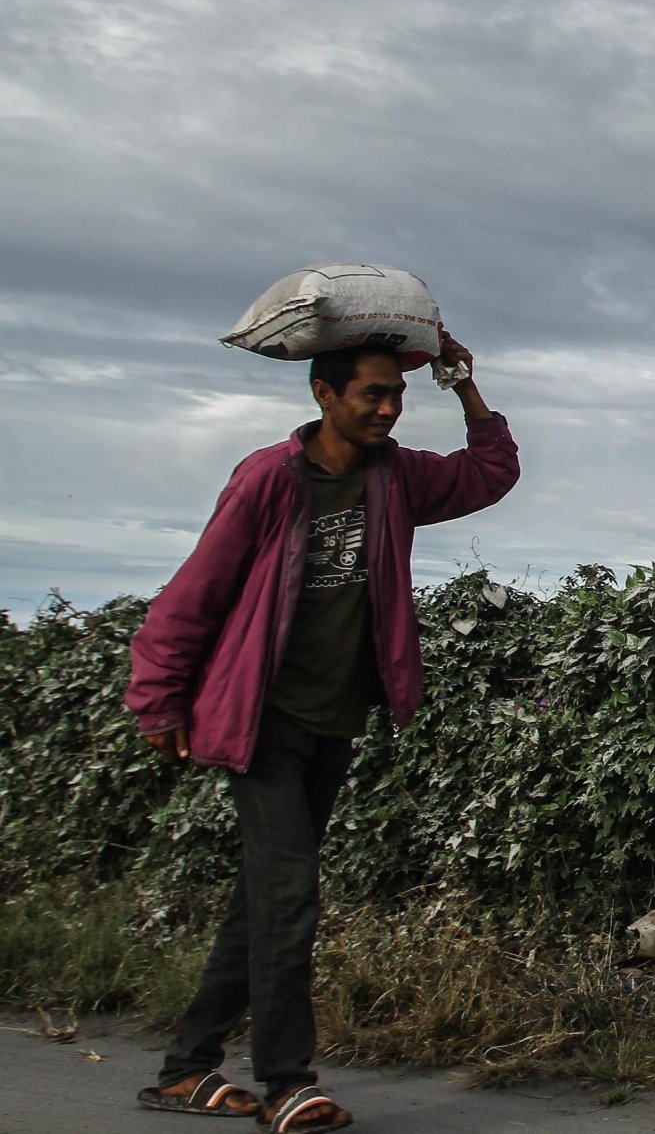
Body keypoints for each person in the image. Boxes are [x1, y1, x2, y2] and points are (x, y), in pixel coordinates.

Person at [124, 332, 519, 1131]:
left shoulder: (395, 475)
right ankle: (287, 1082)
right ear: (324, 396)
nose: (386, 408)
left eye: (395, 394)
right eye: (371, 393)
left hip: (335, 719)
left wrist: (463, 384)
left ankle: (185, 1069)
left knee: (263, 900)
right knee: (290, 895)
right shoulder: (269, 479)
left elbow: (489, 473)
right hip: (261, 718)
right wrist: (157, 699)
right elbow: (194, 591)